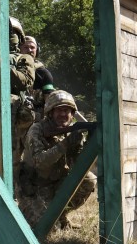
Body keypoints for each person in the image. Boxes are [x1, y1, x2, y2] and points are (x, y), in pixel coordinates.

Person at [18, 89, 96, 230]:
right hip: (34, 190)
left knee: (88, 180)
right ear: (50, 112)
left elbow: (77, 167)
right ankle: (35, 214)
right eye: (59, 110)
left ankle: (61, 215)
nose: (63, 114)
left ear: (72, 114)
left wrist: (85, 146)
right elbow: (40, 161)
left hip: (55, 184)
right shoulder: (37, 130)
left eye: (67, 111)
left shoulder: (71, 132)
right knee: (45, 228)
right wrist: (65, 144)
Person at [9, 17, 37, 182]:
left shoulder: (24, 59)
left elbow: (25, 81)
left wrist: (5, 67)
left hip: (16, 113)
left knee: (15, 156)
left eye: (13, 34)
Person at [20, 35, 55, 121]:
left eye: (32, 47)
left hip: (35, 121)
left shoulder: (44, 74)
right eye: (25, 47)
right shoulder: (11, 70)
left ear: (37, 50)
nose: (29, 50)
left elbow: (49, 101)